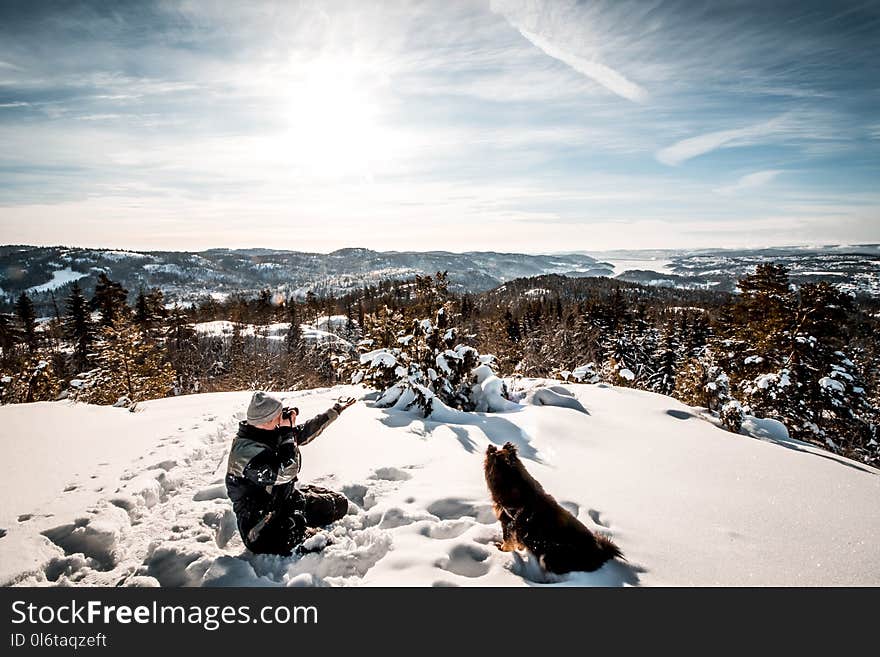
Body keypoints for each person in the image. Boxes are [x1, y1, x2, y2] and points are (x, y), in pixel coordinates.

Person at [226, 391, 356, 556]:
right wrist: (287, 432)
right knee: (324, 543)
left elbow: (304, 432)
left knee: (339, 504)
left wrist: (335, 410)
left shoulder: (266, 432)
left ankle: (301, 516)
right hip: (262, 527)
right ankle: (300, 532)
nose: (283, 417)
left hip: (285, 500)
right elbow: (287, 471)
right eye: (279, 415)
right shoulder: (246, 455)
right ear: (268, 420)